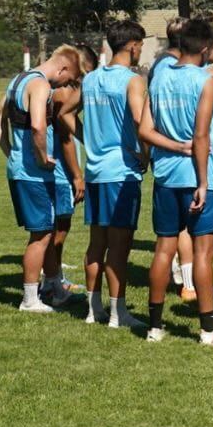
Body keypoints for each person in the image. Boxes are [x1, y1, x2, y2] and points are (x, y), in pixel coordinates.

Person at [139, 19, 213, 345]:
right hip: (199, 177)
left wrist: (173, 147)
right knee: (203, 252)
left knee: (164, 249)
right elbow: (200, 135)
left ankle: (155, 326)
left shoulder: (158, 77)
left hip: (166, 176)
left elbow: (145, 130)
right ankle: (208, 329)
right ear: (203, 48)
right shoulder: (206, 80)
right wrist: (201, 181)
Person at [0, 46, 83, 313]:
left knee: (45, 229)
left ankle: (54, 288)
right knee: (41, 235)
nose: (65, 85)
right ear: (63, 68)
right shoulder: (40, 85)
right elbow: (37, 125)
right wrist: (42, 156)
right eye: (67, 79)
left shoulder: (17, 80)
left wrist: (11, 153)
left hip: (19, 169)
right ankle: (30, 299)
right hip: (33, 173)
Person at [81, 21, 149, 328]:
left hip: (95, 170)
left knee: (97, 243)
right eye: (141, 46)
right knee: (120, 246)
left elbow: (67, 113)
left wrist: (90, 139)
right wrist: (145, 154)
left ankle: (93, 309)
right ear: (133, 45)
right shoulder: (132, 80)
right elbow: (139, 118)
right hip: (120, 172)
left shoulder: (90, 79)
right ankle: (118, 314)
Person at [148, 17, 198, 304]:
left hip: (164, 158)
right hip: (184, 157)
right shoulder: (177, 69)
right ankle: (188, 283)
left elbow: (146, 122)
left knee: (169, 232)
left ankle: (165, 296)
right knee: (186, 230)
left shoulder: (157, 67)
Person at [44, 43, 97, 303]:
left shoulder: (58, 89)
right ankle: (52, 285)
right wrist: (77, 175)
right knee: (59, 225)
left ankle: (53, 278)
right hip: (62, 168)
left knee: (58, 224)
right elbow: (65, 138)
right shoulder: (63, 93)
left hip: (56, 165)